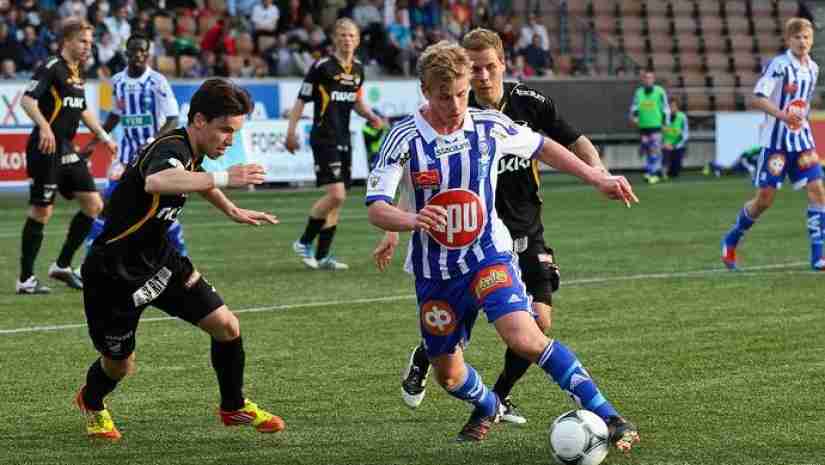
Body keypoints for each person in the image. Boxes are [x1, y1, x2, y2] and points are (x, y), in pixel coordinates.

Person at [367, 40, 640, 451]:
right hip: (435, 272)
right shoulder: (403, 137)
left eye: (462, 94)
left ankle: (610, 416)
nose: (456, 105)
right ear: (425, 90)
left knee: (526, 337)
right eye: (445, 96)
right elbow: (376, 207)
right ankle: (488, 404)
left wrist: (596, 177)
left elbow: (543, 146)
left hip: (488, 255)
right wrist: (411, 220)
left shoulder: (488, 124)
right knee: (449, 376)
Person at [75, 78, 284, 441]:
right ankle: (92, 401)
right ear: (199, 120)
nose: (229, 140)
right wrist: (226, 177)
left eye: (234, 133)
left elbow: (194, 177)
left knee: (226, 326)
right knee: (119, 365)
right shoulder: (171, 147)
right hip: (114, 273)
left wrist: (231, 209)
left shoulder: (191, 150)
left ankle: (233, 406)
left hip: (160, 260)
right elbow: (158, 181)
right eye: (225, 130)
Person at [16, 18, 117, 295]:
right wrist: (44, 126)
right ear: (67, 41)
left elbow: (82, 110)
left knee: (93, 204)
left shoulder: (76, 72)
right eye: (83, 41)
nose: (87, 47)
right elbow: (27, 100)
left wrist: (105, 137)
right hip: (45, 148)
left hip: (67, 149)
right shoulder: (51, 66)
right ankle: (25, 279)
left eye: (90, 42)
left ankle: (61, 266)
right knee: (42, 210)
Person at [721, 18, 824, 271]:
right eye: (797, 37)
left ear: (812, 40)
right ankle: (731, 239)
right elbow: (757, 98)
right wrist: (782, 115)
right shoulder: (779, 65)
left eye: (806, 37)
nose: (802, 42)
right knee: (764, 200)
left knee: (818, 191)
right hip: (776, 144)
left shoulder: (813, 68)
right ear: (788, 40)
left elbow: (803, 102)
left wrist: (799, 121)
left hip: (802, 141)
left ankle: (818, 256)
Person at [285, 18, 383, 270]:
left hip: (343, 138)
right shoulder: (322, 67)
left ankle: (322, 256)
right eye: (342, 35)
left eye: (351, 35)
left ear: (357, 40)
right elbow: (301, 100)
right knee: (336, 194)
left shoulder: (358, 69)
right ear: (334, 39)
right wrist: (291, 132)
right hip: (324, 136)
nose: (347, 39)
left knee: (339, 199)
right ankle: (304, 241)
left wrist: (371, 116)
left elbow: (357, 102)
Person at [81, 33, 185, 256]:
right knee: (106, 206)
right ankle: (91, 259)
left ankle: (181, 256)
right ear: (126, 52)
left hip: (154, 157)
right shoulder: (117, 81)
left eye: (143, 51)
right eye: (134, 50)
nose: (138, 55)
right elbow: (114, 115)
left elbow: (173, 119)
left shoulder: (157, 81)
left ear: (148, 54)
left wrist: (152, 141)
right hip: (126, 157)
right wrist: (94, 142)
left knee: (162, 210)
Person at [629, 69, 670, 184]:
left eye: (650, 78)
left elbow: (665, 108)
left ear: (653, 79)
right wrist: (634, 117)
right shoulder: (639, 92)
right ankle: (650, 170)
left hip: (656, 126)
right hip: (643, 126)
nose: (648, 80)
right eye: (646, 78)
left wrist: (665, 123)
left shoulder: (659, 91)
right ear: (643, 80)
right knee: (646, 149)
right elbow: (634, 107)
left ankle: (654, 173)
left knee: (655, 150)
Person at [662, 97, 689, 178]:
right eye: (670, 106)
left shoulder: (682, 117)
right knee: (664, 154)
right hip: (665, 145)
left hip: (677, 146)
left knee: (675, 173)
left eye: (674, 106)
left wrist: (674, 145)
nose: (672, 108)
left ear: (677, 107)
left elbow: (685, 134)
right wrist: (663, 144)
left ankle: (672, 168)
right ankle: (663, 170)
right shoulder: (664, 116)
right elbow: (659, 133)